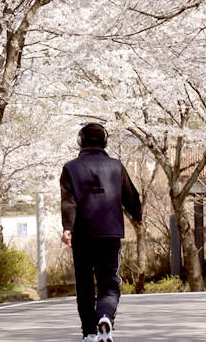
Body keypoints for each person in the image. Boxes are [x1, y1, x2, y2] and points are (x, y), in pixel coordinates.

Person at [61, 123, 143, 342]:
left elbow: (69, 202)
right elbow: (131, 196)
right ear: (104, 141)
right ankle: (105, 317)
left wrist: (68, 228)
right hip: (110, 233)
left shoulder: (70, 168)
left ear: (81, 141)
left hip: (82, 234)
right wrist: (138, 216)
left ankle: (89, 333)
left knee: (84, 284)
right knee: (109, 283)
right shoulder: (116, 167)